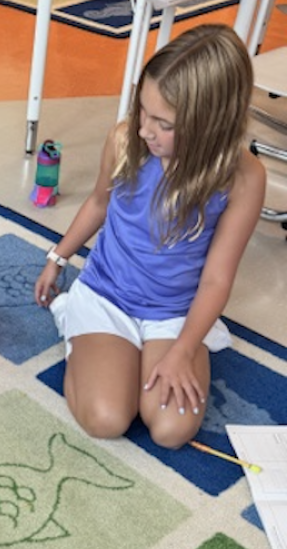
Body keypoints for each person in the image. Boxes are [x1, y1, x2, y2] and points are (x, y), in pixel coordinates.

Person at [34, 24, 265, 450]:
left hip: (174, 313)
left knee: (171, 430)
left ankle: (157, 355)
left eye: (163, 123)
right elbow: (99, 204)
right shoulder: (125, 140)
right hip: (108, 295)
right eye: (143, 110)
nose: (144, 130)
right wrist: (58, 257)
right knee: (106, 419)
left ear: (210, 125)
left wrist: (182, 349)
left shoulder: (244, 178)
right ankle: (77, 327)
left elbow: (217, 280)